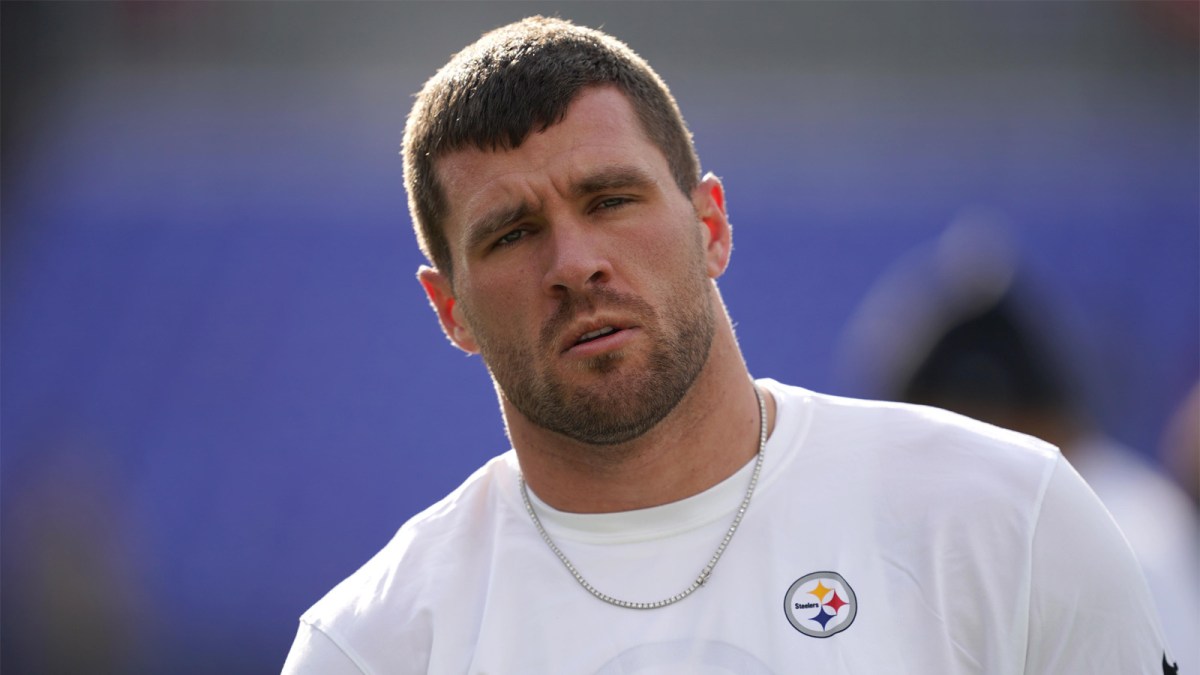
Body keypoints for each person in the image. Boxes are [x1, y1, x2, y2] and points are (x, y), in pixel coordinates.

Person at [283, 17, 1175, 673]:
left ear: (710, 224)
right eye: (512, 233)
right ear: (451, 311)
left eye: (610, 200)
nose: (575, 263)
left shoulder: (1006, 519)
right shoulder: (372, 644)